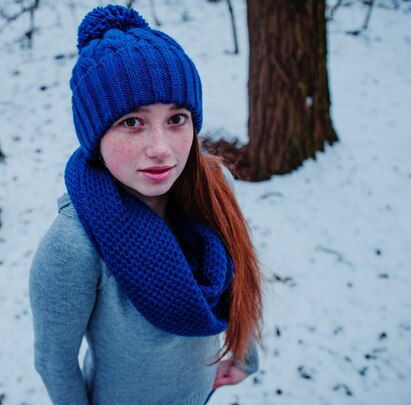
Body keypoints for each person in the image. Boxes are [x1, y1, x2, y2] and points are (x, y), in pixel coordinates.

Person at [29, 5, 263, 404]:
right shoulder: (74, 247)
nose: (161, 149)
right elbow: (55, 361)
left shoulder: (209, 189)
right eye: (132, 122)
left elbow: (239, 275)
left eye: (177, 119)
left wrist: (244, 352)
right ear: (95, 135)